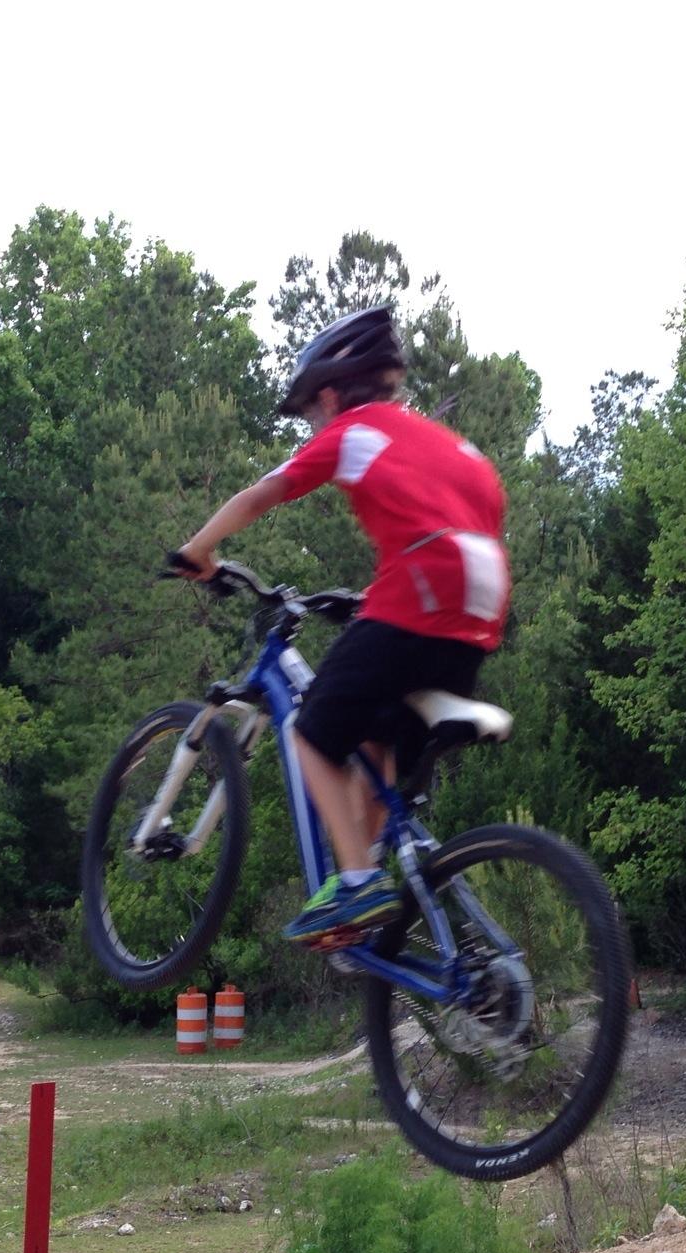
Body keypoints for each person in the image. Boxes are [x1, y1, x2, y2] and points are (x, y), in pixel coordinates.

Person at [176, 303, 510, 948]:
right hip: (480, 602)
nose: (311, 424)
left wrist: (200, 550)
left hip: (422, 584)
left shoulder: (354, 430)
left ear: (328, 394)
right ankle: (377, 899)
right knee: (374, 752)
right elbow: (464, 516)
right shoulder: (454, 445)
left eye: (309, 413)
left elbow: (261, 494)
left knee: (310, 732)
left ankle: (357, 884)